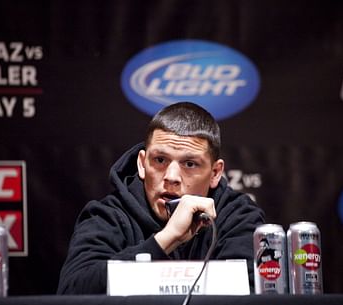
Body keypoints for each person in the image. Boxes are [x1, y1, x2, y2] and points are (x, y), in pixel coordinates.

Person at [57, 101, 265, 294]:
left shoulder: (237, 215)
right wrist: (167, 239)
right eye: (160, 160)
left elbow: (249, 302)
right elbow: (72, 292)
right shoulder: (108, 215)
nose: (171, 177)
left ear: (215, 173)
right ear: (142, 163)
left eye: (190, 164)